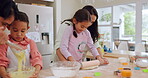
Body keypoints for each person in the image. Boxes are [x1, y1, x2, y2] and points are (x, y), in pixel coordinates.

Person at [0, 12, 42, 78]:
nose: (19, 34)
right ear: (8, 28)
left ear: (27, 29)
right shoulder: (4, 43)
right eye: (15, 30)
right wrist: (4, 74)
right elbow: (1, 62)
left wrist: (36, 72)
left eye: (22, 31)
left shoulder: (31, 43)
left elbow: (36, 59)